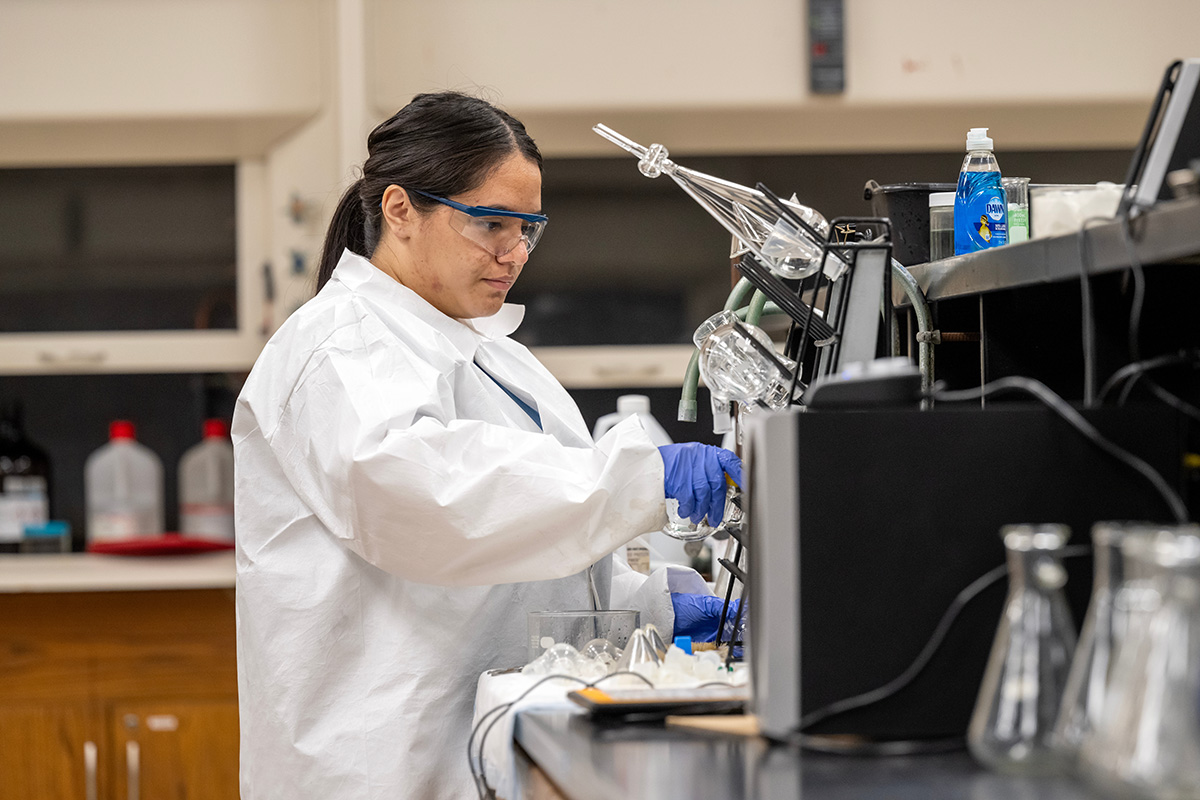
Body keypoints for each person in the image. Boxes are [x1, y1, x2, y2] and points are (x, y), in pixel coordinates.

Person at [233, 91, 741, 799]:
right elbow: (429, 501)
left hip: (470, 747)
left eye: (530, 227)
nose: (515, 252)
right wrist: (640, 479)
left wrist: (653, 608)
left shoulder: (486, 351)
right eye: (492, 224)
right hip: (382, 765)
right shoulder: (341, 347)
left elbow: (514, 555)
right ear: (400, 209)